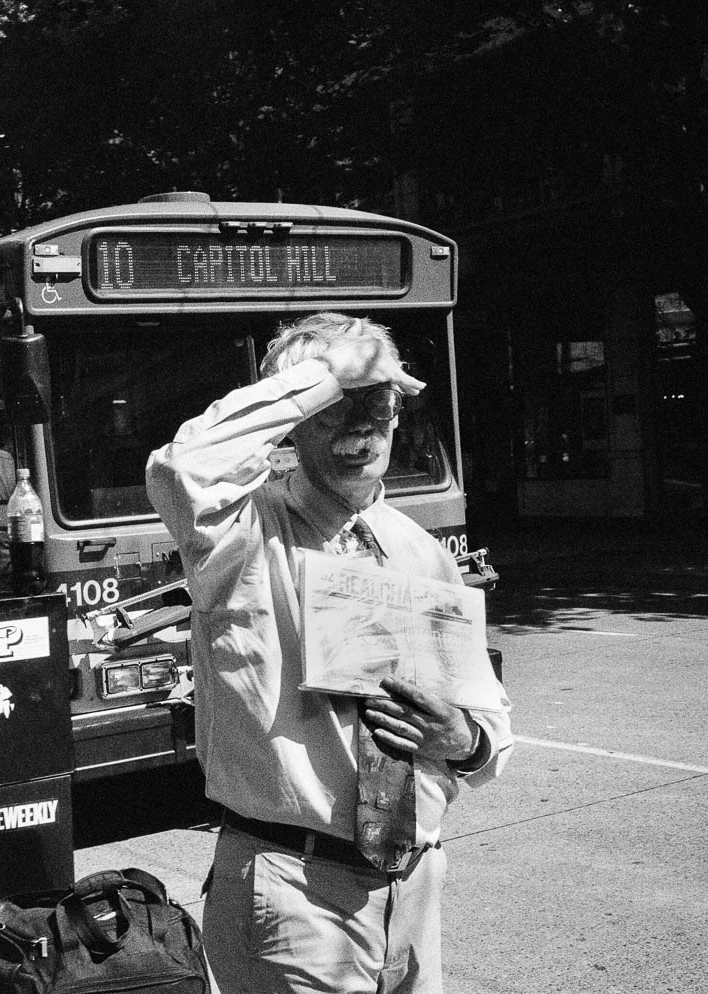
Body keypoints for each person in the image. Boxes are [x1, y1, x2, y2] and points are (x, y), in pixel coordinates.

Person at [145, 313, 513, 994]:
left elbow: (488, 719)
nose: (359, 429)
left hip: (413, 884)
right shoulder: (243, 535)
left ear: (400, 411)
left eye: (376, 404)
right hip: (295, 890)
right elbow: (183, 469)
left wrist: (464, 739)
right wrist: (328, 373)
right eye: (331, 409)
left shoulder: (419, 551)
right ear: (291, 417)